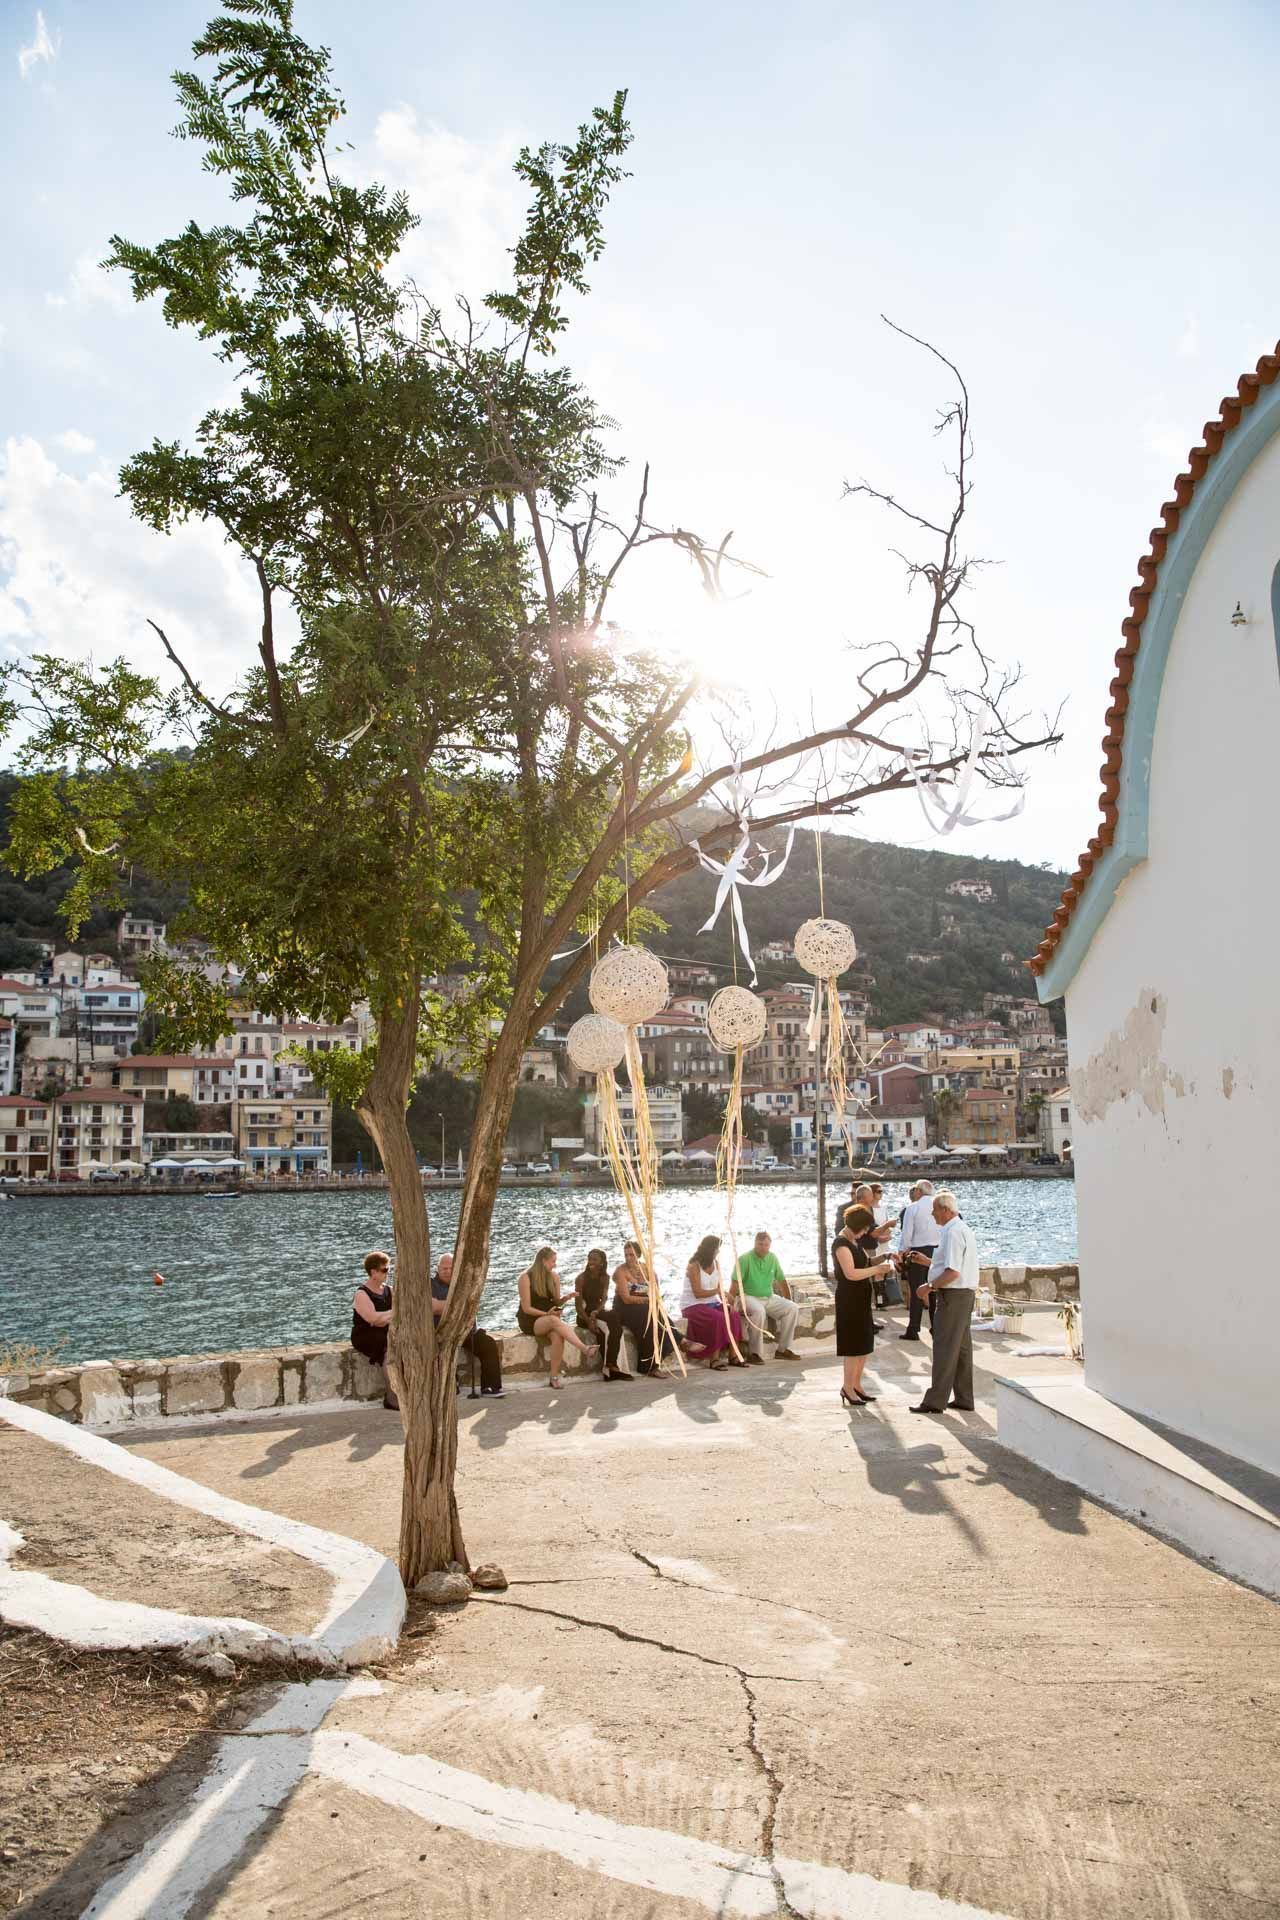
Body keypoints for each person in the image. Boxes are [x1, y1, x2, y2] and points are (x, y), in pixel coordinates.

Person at [910, 1190, 979, 1414]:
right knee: (961, 1348)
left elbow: (952, 1272)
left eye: (935, 1210)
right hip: (964, 1295)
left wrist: (928, 1287)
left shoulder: (952, 1233)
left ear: (945, 1210)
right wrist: (928, 1261)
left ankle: (935, 1401)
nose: (932, 1214)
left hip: (953, 1296)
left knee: (944, 1348)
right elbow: (951, 1265)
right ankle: (964, 1397)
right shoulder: (960, 1229)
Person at [832, 1203, 895, 1407]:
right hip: (849, 1298)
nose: (867, 1232)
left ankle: (857, 1384)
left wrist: (885, 1257)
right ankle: (847, 1387)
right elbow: (851, 1273)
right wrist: (877, 1270)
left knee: (863, 1344)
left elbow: (866, 1263)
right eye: (866, 1228)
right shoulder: (841, 1243)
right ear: (857, 1225)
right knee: (852, 1346)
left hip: (861, 1297)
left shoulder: (855, 1242)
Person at [517, 1245, 593, 1389]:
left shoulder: (554, 1277)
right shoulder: (525, 1278)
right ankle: (584, 1348)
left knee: (558, 1336)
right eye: (552, 1261)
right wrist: (547, 1314)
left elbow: (556, 1301)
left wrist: (566, 1298)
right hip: (530, 1320)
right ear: (543, 1261)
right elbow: (526, 1308)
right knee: (553, 1320)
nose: (555, 1264)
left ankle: (554, 1377)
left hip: (548, 1318)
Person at [432, 1252, 505, 1397]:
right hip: (442, 1333)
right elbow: (433, 1307)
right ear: (437, 1269)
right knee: (441, 1350)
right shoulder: (430, 1285)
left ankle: (490, 1387)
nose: (447, 1271)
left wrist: (445, 1306)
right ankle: (450, 1385)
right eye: (444, 1268)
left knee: (488, 1344)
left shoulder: (464, 1284)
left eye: (450, 1268)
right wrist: (458, 1306)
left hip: (466, 1331)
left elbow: (471, 1306)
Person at [733, 1231, 802, 1363]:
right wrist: (732, 1303)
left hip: (768, 1297)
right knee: (759, 1311)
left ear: (769, 1245)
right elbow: (735, 1283)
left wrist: (787, 1299)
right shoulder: (744, 1259)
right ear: (755, 1244)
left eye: (766, 1245)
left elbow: (781, 1280)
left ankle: (782, 1350)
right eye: (760, 1244)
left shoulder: (772, 1258)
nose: (763, 1247)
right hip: (747, 1297)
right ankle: (754, 1353)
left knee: (792, 1308)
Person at [681, 1234, 746, 1370]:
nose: (718, 1251)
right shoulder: (694, 1266)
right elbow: (698, 1293)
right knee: (719, 1318)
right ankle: (714, 1359)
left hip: (710, 1303)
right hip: (693, 1305)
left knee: (732, 1315)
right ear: (710, 1249)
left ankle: (733, 1356)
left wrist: (727, 1299)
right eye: (717, 1249)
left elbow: (719, 1288)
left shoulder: (715, 1263)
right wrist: (717, 1291)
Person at [612, 1240, 675, 1377]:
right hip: (624, 1308)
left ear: (638, 1255)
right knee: (649, 1315)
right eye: (626, 1255)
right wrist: (648, 1300)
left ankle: (651, 1365)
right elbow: (626, 1299)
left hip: (643, 1307)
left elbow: (656, 1292)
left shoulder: (647, 1269)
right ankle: (679, 1340)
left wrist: (651, 1299)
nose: (628, 1258)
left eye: (631, 1255)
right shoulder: (620, 1271)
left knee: (657, 1319)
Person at [574, 1247, 632, 1382]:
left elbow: (604, 1299)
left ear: (602, 1262)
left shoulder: (605, 1278)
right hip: (583, 1315)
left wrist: (597, 1312)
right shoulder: (580, 1279)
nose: (590, 1262)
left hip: (597, 1311)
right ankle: (612, 1367)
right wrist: (589, 1321)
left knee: (615, 1322)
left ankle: (611, 1365)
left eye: (594, 1259)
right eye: (589, 1259)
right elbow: (578, 1306)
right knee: (605, 1329)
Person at [351, 1248, 398, 1410]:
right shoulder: (361, 1294)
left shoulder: (389, 1290)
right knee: (387, 1350)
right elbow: (372, 1319)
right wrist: (392, 1314)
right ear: (373, 1272)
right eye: (384, 1270)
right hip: (366, 1334)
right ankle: (391, 1397)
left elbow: (385, 1318)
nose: (387, 1273)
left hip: (384, 1330)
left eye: (388, 1269)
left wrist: (384, 1317)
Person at [897, 1178, 938, 1342]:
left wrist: (901, 1253)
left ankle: (913, 1329)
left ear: (919, 1192)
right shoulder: (938, 1205)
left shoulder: (912, 1208)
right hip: (936, 1250)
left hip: (917, 1251)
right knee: (934, 1289)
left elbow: (907, 1234)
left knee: (916, 1291)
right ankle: (936, 1327)